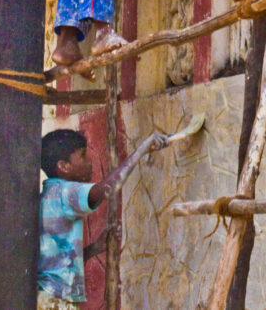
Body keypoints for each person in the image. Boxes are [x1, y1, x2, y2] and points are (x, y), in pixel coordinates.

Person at [37, 128, 169, 309]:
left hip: (49, 297)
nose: (89, 161)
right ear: (64, 166)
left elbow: (59, 262)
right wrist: (143, 149)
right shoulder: (65, 192)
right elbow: (106, 189)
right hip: (57, 300)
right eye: (83, 156)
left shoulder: (50, 194)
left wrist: (93, 249)